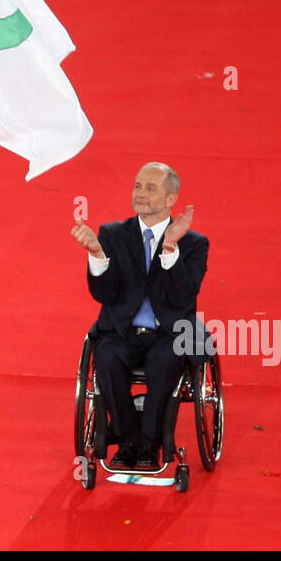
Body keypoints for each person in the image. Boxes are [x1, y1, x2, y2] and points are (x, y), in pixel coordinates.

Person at [71, 162, 208, 470]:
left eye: (150, 188)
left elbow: (183, 297)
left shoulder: (194, 243)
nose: (141, 193)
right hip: (123, 332)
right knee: (107, 358)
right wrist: (96, 254)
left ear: (171, 199)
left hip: (170, 333)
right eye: (137, 186)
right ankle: (128, 439)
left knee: (165, 359)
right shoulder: (112, 234)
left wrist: (171, 247)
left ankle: (151, 443)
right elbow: (104, 295)